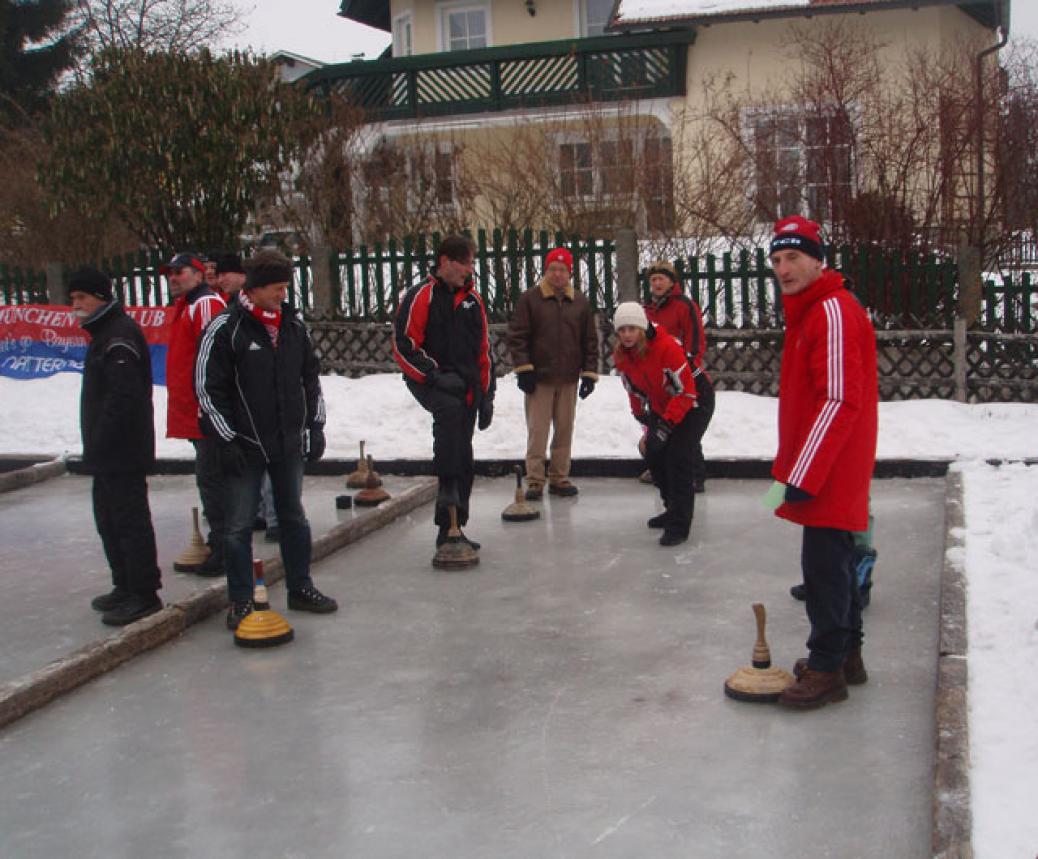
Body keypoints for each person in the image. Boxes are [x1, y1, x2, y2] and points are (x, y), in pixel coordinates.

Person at [763, 215, 878, 710]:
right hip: (824, 462)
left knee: (824, 566)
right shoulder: (811, 310)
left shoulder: (830, 310)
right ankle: (847, 654)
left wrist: (805, 475)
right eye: (776, 260)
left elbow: (838, 401)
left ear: (817, 260)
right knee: (835, 558)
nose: (783, 269)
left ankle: (828, 666)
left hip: (831, 465)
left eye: (793, 258)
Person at [195, 249, 337, 630]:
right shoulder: (226, 328)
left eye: (286, 287)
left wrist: (315, 426)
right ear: (253, 289)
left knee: (293, 517)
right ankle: (241, 600)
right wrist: (226, 440)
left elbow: (311, 380)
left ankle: (300, 586)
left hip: (286, 443)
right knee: (239, 525)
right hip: (243, 445)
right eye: (276, 288)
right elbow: (208, 392)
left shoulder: (292, 327)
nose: (283, 295)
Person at [70, 268, 163, 626]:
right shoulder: (103, 334)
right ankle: (124, 583)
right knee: (108, 520)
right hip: (106, 453)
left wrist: (102, 439)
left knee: (129, 520)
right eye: (73, 298)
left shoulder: (118, 335)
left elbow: (123, 397)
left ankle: (144, 591)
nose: (75, 305)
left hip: (122, 451)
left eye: (82, 298)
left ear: (101, 298)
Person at [393, 234, 494, 549]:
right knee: (448, 415)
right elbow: (404, 345)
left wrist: (487, 395)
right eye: (464, 263)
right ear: (445, 262)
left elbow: (483, 351)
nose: (468, 270)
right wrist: (433, 375)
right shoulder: (421, 296)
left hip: (465, 382)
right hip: (430, 380)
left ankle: (454, 525)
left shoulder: (472, 301)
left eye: (470, 264)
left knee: (464, 451)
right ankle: (447, 490)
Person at [506, 247, 598, 500]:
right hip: (539, 379)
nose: (557, 274)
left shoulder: (580, 302)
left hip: (568, 378)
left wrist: (589, 373)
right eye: (553, 269)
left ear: (570, 273)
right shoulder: (530, 300)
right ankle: (535, 479)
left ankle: (559, 477)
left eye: (563, 270)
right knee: (538, 431)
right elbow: (518, 337)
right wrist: (524, 369)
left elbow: (589, 341)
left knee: (564, 430)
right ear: (546, 271)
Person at [612, 302, 706, 547]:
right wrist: (640, 414)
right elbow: (632, 386)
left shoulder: (666, 347)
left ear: (642, 328)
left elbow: (686, 393)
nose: (627, 335)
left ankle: (680, 524)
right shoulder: (622, 354)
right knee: (653, 451)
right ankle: (671, 508)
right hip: (662, 402)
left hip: (695, 400)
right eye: (622, 330)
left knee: (678, 456)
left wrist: (665, 426)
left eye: (632, 328)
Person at [162, 252, 226, 576]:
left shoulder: (205, 305)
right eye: (170, 273)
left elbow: (215, 354)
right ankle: (221, 542)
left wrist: (210, 405)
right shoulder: (184, 306)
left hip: (206, 411)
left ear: (198, 274)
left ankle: (224, 547)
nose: (174, 277)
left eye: (180, 272)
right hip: (192, 410)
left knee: (213, 478)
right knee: (209, 478)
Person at [643, 260, 714, 493]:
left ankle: (695, 474)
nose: (656, 283)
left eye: (661, 279)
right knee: (663, 422)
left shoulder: (685, 306)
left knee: (686, 425)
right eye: (653, 280)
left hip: (683, 374)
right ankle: (663, 467)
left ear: (671, 281)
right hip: (658, 379)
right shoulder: (647, 310)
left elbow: (695, 339)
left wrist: (690, 366)